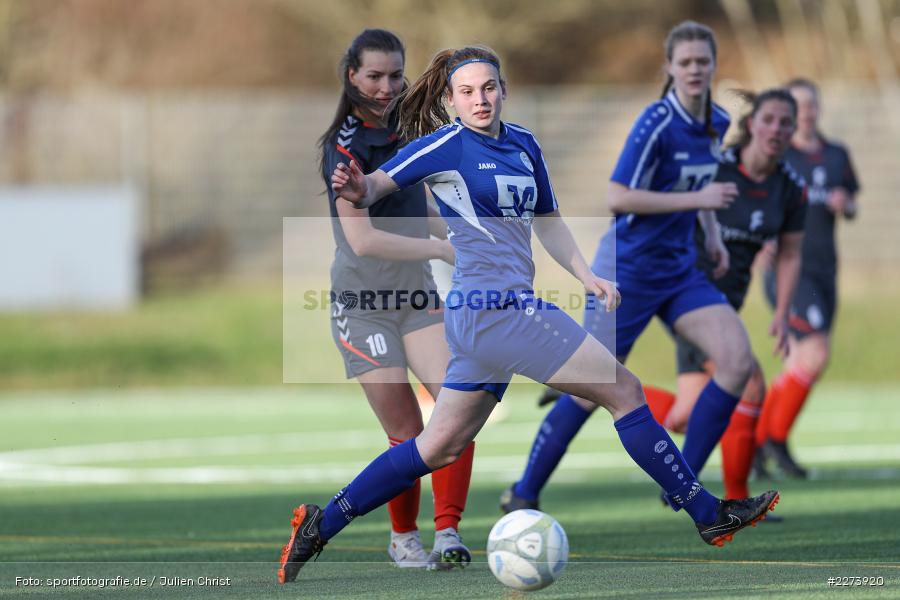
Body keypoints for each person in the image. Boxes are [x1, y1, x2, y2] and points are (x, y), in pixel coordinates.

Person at [278, 44, 779, 585]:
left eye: (488, 88)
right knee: (624, 390)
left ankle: (320, 523)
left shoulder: (524, 145)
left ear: (503, 89)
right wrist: (359, 188)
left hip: (489, 317)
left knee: (439, 446)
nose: (480, 99)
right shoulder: (445, 145)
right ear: (449, 101)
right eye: (466, 91)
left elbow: (551, 221)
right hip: (497, 312)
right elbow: (378, 184)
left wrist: (585, 275)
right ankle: (707, 513)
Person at [502, 21, 760, 513]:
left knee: (736, 361)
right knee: (590, 388)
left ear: (713, 65)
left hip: (681, 271)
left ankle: (680, 485)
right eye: (684, 62)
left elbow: (699, 186)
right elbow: (617, 197)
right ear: (669, 67)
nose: (694, 70)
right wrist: (699, 198)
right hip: (628, 270)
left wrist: (710, 233)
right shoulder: (655, 123)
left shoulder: (719, 122)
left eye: (703, 62)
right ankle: (525, 491)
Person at [317, 29, 475, 570]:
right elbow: (362, 239)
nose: (387, 87)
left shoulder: (409, 129)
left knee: (460, 402)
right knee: (408, 432)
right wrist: (442, 249)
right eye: (375, 76)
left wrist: (461, 234)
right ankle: (404, 538)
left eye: (395, 75)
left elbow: (415, 202)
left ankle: (448, 532)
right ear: (352, 77)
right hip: (363, 305)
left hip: (415, 295)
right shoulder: (342, 150)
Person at [639, 88, 806, 501]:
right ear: (751, 124)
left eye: (786, 122)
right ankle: (734, 497)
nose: (777, 129)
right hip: (690, 295)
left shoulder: (790, 187)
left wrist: (783, 313)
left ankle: (597, 388)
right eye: (769, 119)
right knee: (750, 384)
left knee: (686, 415)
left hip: (728, 303)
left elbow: (789, 254)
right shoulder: (716, 168)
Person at [754, 78, 860, 478]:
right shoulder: (776, 158)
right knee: (814, 353)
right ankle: (773, 440)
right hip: (788, 270)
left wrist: (845, 203)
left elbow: (851, 205)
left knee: (802, 360)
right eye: (797, 106)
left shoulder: (836, 155)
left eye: (811, 104)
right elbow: (753, 201)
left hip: (824, 268)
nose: (806, 113)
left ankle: (757, 441)